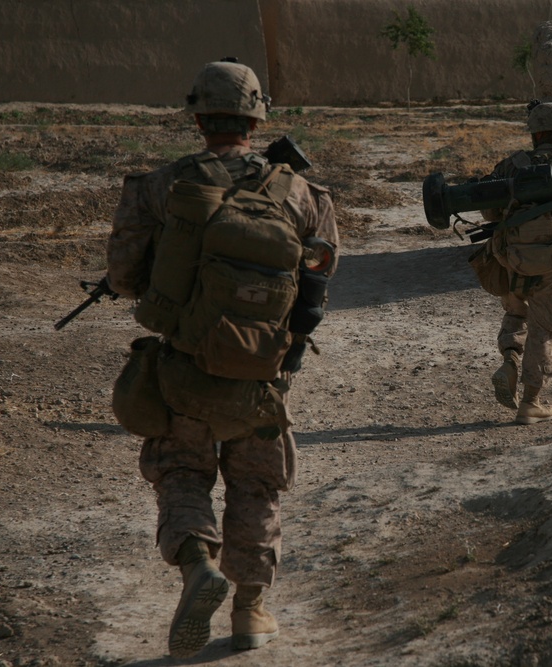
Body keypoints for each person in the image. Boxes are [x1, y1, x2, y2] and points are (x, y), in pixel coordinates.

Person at [105, 59, 339, 658]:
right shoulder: (303, 194)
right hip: (262, 375)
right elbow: (318, 280)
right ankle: (252, 610)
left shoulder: (161, 187)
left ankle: (195, 566)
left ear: (198, 117)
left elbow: (127, 277)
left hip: (182, 369)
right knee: (257, 486)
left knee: (182, 473)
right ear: (258, 116)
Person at [480, 100, 552, 425]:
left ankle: (511, 359)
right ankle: (531, 402)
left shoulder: (511, 166)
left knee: (516, 312)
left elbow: (489, 210)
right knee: (544, 328)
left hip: (510, 257)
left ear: (534, 133)